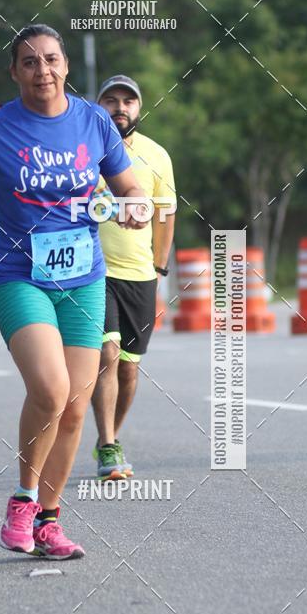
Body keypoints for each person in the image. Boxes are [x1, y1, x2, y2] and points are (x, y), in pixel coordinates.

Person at [0, 24, 146, 560]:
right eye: (29, 62)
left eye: (51, 59)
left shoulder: (93, 120)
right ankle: (21, 501)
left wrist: (134, 204)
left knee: (75, 408)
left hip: (84, 278)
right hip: (21, 276)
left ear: (65, 65)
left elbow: (129, 185)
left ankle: (48, 521)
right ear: (15, 73)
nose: (42, 70)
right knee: (50, 389)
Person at [91, 75, 176, 480]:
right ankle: (109, 445)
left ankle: (108, 437)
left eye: (128, 101)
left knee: (128, 369)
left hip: (140, 275)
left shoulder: (157, 155)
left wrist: (159, 269)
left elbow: (166, 215)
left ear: (139, 108)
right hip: (92, 272)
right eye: (111, 100)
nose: (120, 108)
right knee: (106, 355)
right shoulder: (83, 150)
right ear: (99, 105)